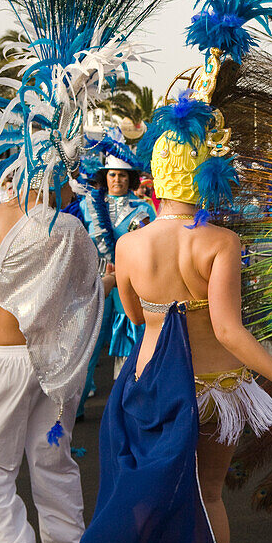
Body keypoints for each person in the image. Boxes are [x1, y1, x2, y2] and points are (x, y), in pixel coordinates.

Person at [78, 0, 272, 543]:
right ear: (205, 173)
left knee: (159, 503)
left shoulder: (131, 245)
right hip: (215, 386)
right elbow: (230, 330)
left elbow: (135, 319)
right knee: (210, 493)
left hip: (147, 389)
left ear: (152, 180)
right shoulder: (216, 241)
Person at [0, 176, 106, 543]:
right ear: (55, 176)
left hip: (5, 359)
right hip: (53, 364)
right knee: (53, 457)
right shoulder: (66, 228)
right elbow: (86, 291)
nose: (73, 191)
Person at [78, 148, 157, 399]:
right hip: (95, 280)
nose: (117, 180)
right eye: (112, 174)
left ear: (130, 179)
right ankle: (77, 400)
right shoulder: (86, 206)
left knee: (130, 333)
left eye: (123, 176)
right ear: (105, 177)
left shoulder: (143, 209)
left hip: (130, 282)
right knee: (90, 339)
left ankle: (129, 394)